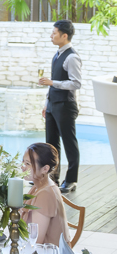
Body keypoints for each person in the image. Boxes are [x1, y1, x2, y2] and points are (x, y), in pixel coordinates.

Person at [38, 20, 83, 193]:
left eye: (54, 33)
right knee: (51, 144)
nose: (51, 35)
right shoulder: (57, 54)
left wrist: (52, 82)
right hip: (53, 104)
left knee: (69, 143)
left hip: (65, 105)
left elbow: (76, 83)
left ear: (64, 36)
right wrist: (46, 103)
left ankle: (71, 180)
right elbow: (54, 83)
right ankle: (52, 178)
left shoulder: (72, 57)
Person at [20, 143, 69, 246]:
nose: (22, 167)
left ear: (45, 169)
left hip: (49, 253)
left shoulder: (45, 193)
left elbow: (36, 240)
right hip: (36, 249)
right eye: (23, 161)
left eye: (28, 164)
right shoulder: (38, 186)